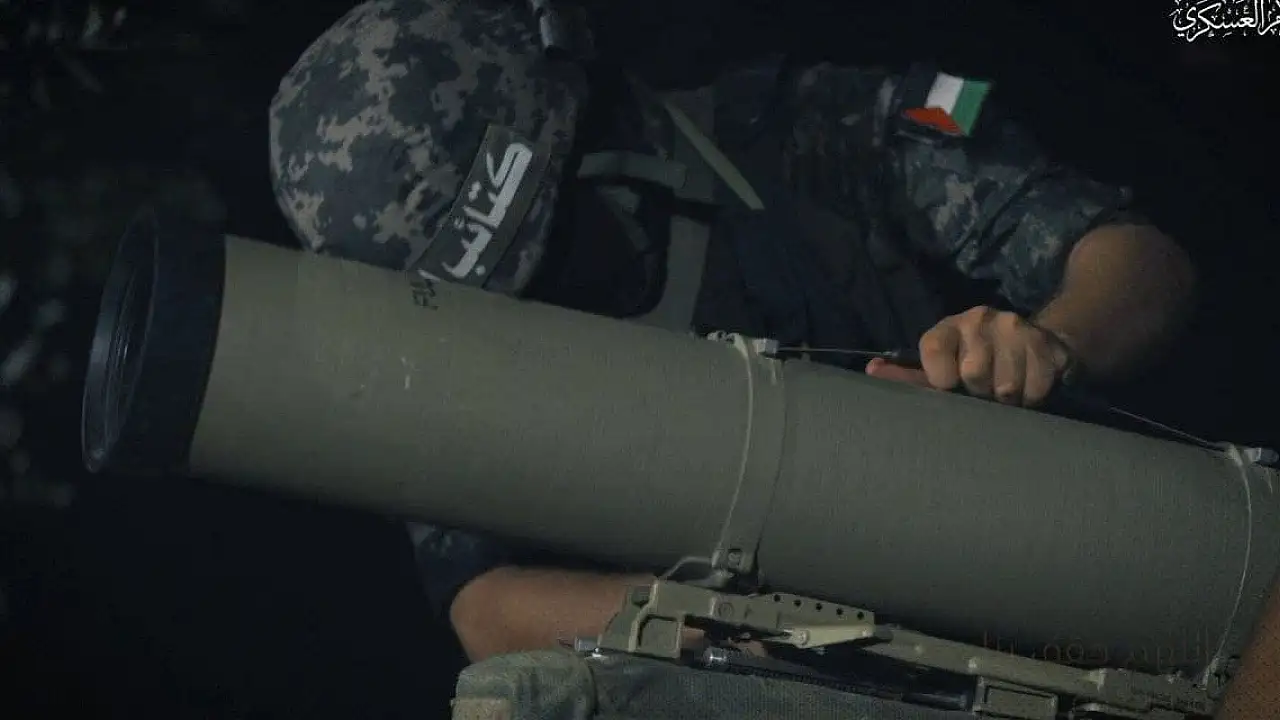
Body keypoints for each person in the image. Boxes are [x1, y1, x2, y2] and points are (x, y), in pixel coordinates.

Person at [268, 0, 1196, 665]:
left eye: (562, 238)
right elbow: (483, 602)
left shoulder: (804, 131)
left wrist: (1048, 344)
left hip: (1053, 574)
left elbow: (1137, 260)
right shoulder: (445, 346)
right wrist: (728, 626)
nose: (548, 295)